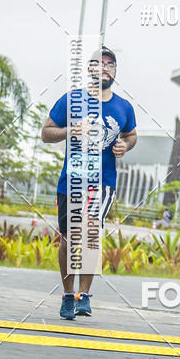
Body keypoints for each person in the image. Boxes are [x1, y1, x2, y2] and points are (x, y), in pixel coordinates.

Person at [41, 47, 137, 320]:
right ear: (90, 70)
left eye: (110, 64)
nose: (105, 68)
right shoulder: (71, 100)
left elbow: (132, 135)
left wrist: (124, 146)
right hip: (70, 181)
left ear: (115, 71)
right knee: (70, 238)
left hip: (102, 181)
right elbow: (46, 133)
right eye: (99, 64)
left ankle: (84, 295)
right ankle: (68, 295)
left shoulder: (123, 107)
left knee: (91, 232)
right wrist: (69, 130)